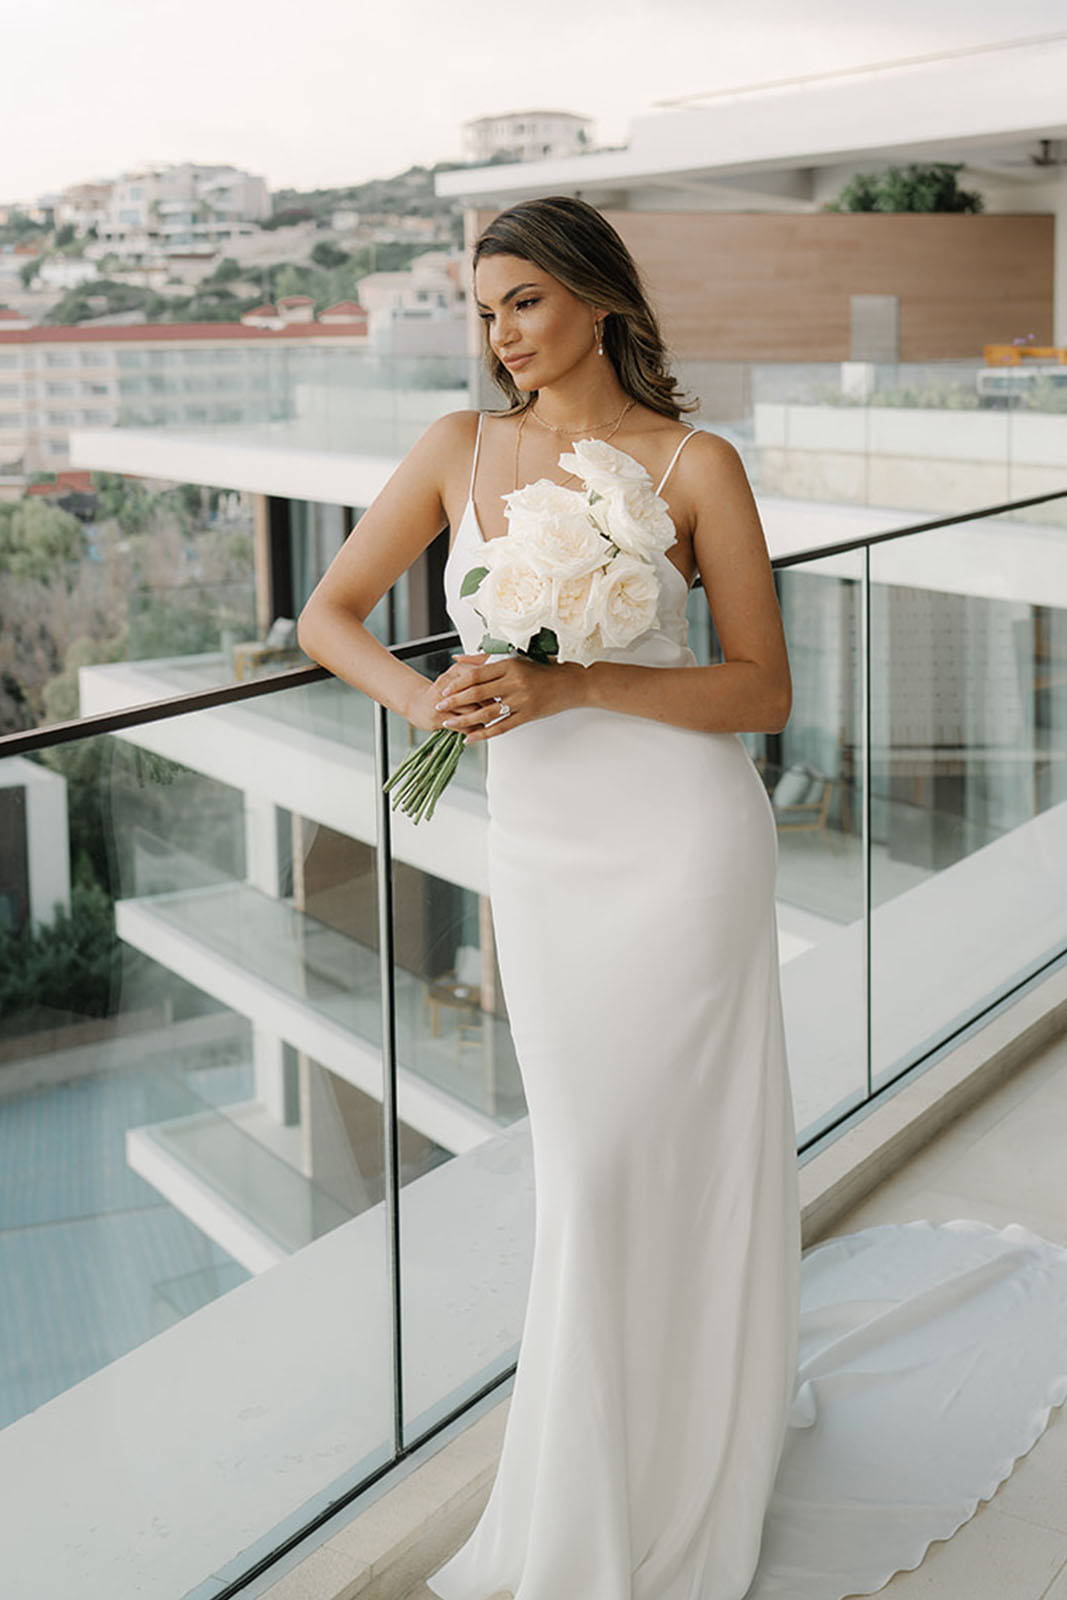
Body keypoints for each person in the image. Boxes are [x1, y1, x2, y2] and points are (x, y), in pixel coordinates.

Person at [297, 197, 1067, 1600]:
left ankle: (666, 1465)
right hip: (541, 857)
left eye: (523, 300)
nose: (502, 336)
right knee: (592, 1168)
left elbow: (762, 692)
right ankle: (616, 1457)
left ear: (600, 299)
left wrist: (575, 678)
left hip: (684, 850)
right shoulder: (456, 450)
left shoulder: (698, 464)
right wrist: (435, 697)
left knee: (679, 1159)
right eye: (484, 310)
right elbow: (325, 616)